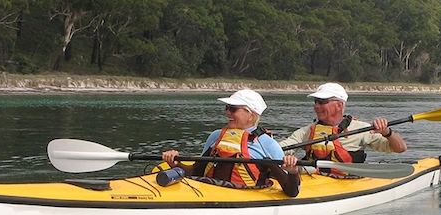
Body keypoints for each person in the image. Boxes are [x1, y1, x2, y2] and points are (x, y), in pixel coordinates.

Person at [162, 89, 300, 197]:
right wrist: (176, 164)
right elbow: (195, 172)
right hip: (209, 192)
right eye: (227, 107)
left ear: (250, 115)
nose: (227, 113)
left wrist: (293, 172)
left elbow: (291, 191)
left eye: (233, 109)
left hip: (244, 197)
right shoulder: (216, 136)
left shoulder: (267, 144)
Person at [278, 83, 407, 174]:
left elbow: (400, 148)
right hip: (314, 180)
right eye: (316, 101)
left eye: (322, 102)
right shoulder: (306, 132)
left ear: (339, 105)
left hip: (347, 180)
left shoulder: (362, 129)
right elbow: (279, 149)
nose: (316, 106)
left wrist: (387, 132)